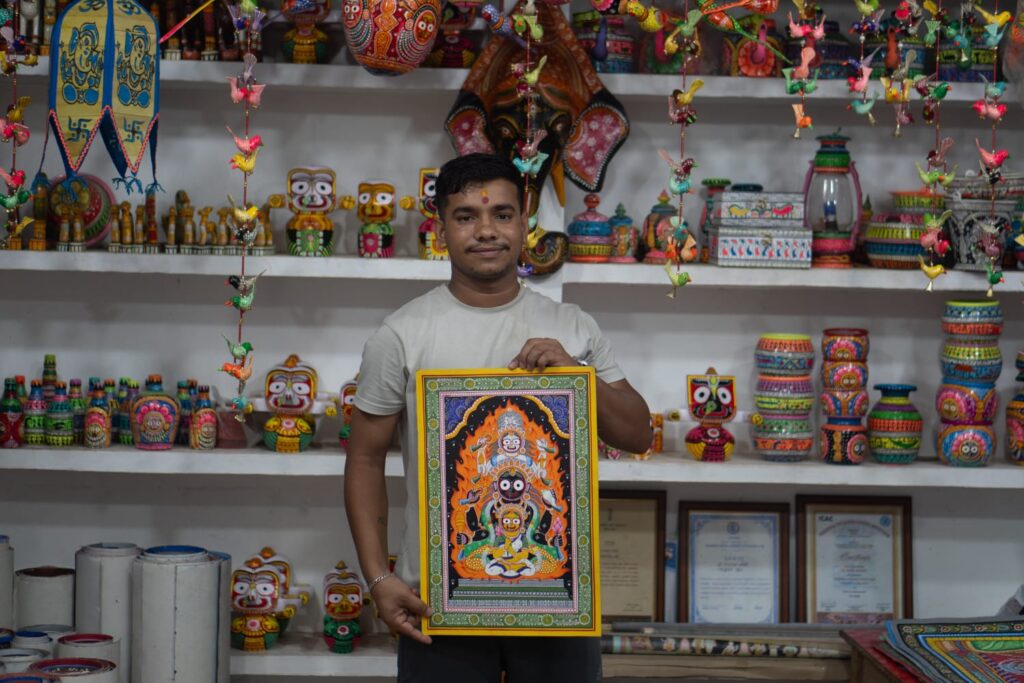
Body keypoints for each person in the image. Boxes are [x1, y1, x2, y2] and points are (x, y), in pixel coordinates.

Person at [344, 153, 652, 683]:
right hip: (440, 600)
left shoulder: (571, 327)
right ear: (439, 225)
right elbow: (365, 461)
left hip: (558, 599)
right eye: (466, 216)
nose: (486, 230)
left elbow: (637, 432)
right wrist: (377, 578)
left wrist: (575, 373)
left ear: (525, 218)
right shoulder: (402, 334)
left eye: (502, 214)